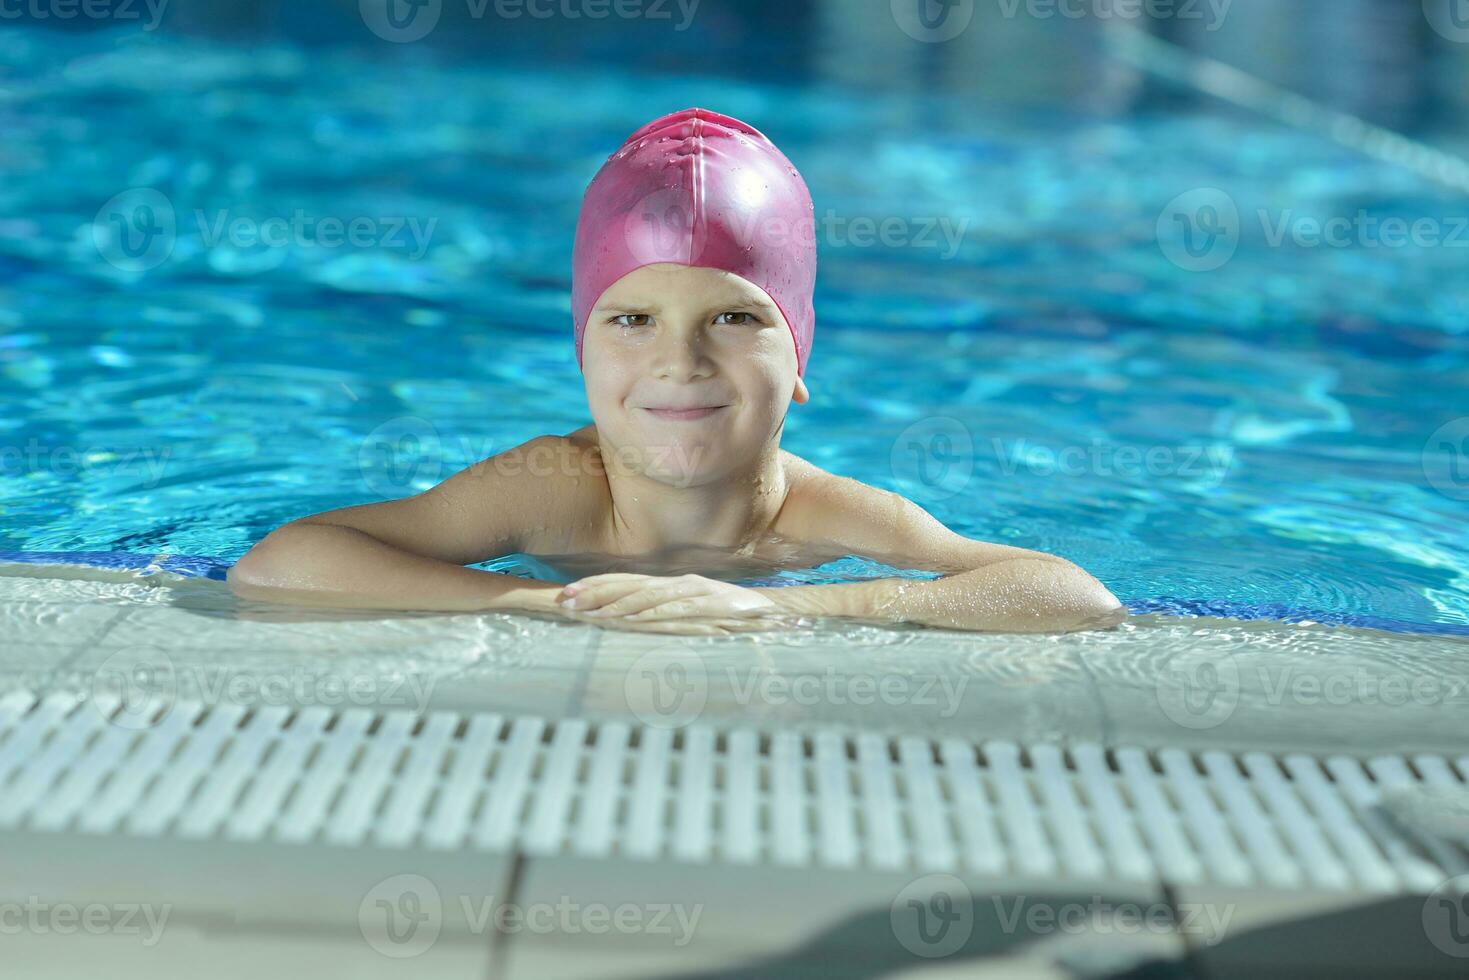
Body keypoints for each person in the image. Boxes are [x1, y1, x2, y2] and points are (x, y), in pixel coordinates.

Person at [228, 107, 1124, 635]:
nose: (679, 361)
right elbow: (278, 561)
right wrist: (551, 604)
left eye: (735, 319)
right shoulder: (552, 490)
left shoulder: (820, 514)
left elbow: (1072, 594)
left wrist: (797, 610)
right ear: (582, 354)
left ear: (800, 361)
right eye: (632, 320)